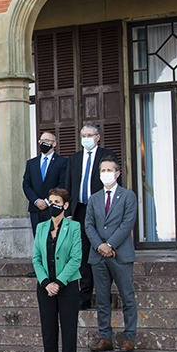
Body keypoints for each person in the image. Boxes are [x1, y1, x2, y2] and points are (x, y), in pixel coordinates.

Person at [32, 188, 82, 352]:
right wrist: (46, 282)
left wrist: (59, 282)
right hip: (45, 289)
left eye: (56, 201)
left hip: (68, 287)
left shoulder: (74, 227)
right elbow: (36, 258)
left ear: (65, 204)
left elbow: (76, 258)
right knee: (49, 338)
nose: (52, 204)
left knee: (69, 338)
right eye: (50, 201)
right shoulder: (41, 227)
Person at [85, 156, 139, 352]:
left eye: (109, 170)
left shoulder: (128, 196)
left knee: (127, 297)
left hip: (120, 254)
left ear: (117, 173)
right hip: (98, 256)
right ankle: (105, 337)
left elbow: (127, 223)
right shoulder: (94, 198)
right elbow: (88, 224)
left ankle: (129, 337)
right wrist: (100, 245)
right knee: (101, 299)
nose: (105, 174)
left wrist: (110, 244)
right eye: (102, 170)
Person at [66, 122, 113, 310]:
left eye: (90, 135)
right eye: (83, 135)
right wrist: (68, 213)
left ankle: (104, 295)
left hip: (100, 209)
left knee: (102, 252)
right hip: (79, 210)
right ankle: (84, 296)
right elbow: (68, 185)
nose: (86, 139)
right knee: (83, 253)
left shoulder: (107, 156)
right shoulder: (74, 159)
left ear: (97, 137)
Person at [22, 131, 68, 231]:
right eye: (41, 141)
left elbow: (62, 183)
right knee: (38, 238)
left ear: (54, 143)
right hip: (35, 209)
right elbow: (26, 184)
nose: (43, 143)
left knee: (53, 237)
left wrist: (48, 201)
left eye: (46, 140)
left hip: (53, 207)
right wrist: (36, 201)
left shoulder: (62, 162)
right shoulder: (31, 163)